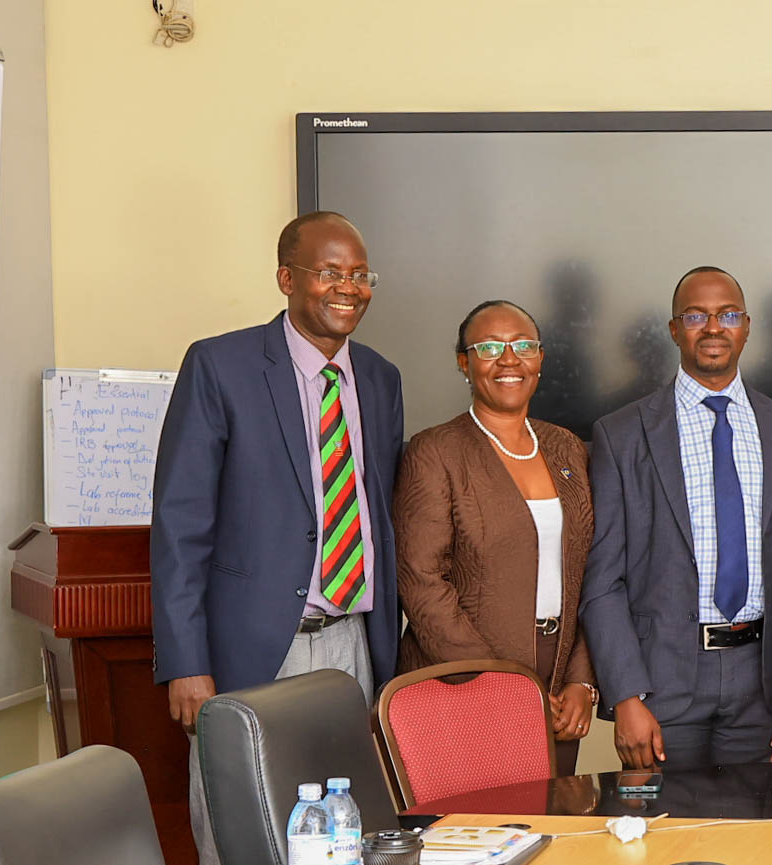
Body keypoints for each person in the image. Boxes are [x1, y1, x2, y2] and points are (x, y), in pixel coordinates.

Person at [150, 211, 404, 863]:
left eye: (359, 274)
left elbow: (376, 509)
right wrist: (185, 660)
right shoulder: (220, 365)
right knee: (239, 826)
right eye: (330, 272)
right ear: (287, 278)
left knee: (347, 829)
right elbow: (181, 525)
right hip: (252, 647)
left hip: (353, 640)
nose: (349, 287)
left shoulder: (379, 378)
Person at [578, 266, 772, 770]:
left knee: (760, 842)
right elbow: (603, 580)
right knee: (668, 840)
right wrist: (625, 695)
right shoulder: (621, 434)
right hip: (661, 685)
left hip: (766, 687)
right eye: (696, 315)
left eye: (728, 315)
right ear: (673, 329)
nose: (713, 328)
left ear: (747, 326)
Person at [393, 300, 598, 773]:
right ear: (464, 363)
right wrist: (501, 686)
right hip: (460, 679)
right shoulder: (435, 450)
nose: (509, 359)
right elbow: (421, 579)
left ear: (541, 359)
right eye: (489, 347)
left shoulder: (566, 446)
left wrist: (582, 681)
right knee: (473, 834)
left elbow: (591, 571)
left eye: (524, 345)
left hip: (556, 676)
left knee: (550, 826)